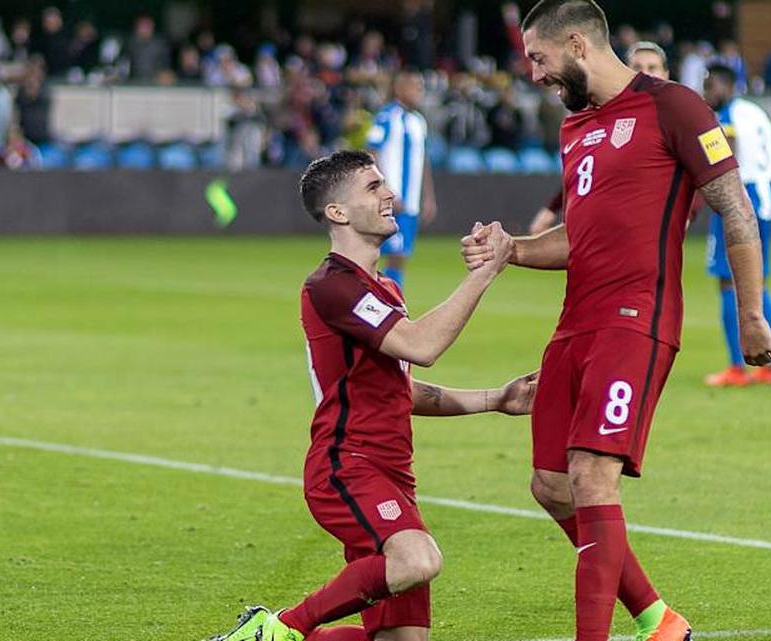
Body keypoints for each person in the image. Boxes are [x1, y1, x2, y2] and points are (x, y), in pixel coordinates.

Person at [463, 2, 771, 640]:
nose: (533, 73)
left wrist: (751, 314)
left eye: (539, 58)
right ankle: (660, 622)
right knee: (551, 485)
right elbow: (580, 236)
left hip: (637, 321)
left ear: (577, 44)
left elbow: (736, 211)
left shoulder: (676, 107)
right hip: (574, 325)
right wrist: (513, 252)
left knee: (590, 474)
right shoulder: (575, 126)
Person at [206, 150, 536, 641]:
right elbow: (422, 346)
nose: (391, 195)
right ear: (337, 213)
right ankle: (276, 628)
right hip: (348, 466)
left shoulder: (381, 289)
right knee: (417, 558)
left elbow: (399, 389)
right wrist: (486, 271)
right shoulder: (331, 286)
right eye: (373, 186)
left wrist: (495, 398)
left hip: (392, 474)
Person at [702, 63, 771, 387]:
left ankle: (736, 367)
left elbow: (726, 156)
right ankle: (767, 366)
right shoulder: (757, 113)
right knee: (759, 281)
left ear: (726, 85)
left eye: (710, 86)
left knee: (728, 282)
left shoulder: (728, 117)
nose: (707, 93)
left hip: (738, 195)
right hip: (763, 195)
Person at [529, 40, 670, 236]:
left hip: (650, 230)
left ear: (666, 74)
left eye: (652, 67)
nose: (645, 73)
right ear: (626, 72)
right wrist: (551, 209)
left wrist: (689, 214)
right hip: (609, 229)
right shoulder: (607, 115)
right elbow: (587, 170)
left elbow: (701, 172)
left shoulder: (676, 117)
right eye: (637, 67)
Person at [366, 71, 437, 290]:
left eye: (421, 87)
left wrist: (428, 197)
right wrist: (383, 189)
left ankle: (388, 300)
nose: (419, 92)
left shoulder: (418, 121)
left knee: (402, 255)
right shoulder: (387, 117)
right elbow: (371, 152)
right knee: (388, 253)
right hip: (391, 200)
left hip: (411, 202)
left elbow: (422, 161)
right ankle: (379, 301)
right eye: (415, 87)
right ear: (399, 89)